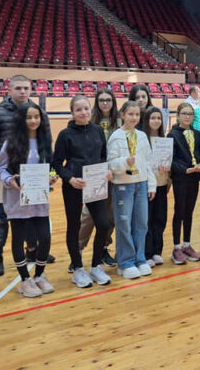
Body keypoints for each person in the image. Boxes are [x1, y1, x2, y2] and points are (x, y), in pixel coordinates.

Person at [0, 75, 53, 277]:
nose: (22, 91)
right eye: (18, 88)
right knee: (0, 217)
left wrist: (47, 174)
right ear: (9, 90)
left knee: (31, 217)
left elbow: (46, 145)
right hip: (4, 174)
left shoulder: (40, 113)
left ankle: (32, 250)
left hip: (32, 179)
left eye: (26, 88)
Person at [52, 95, 114, 288]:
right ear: (72, 112)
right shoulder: (65, 135)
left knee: (103, 224)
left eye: (86, 108)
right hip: (74, 187)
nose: (83, 112)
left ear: (90, 110)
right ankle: (78, 269)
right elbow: (57, 164)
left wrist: (107, 170)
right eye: (78, 109)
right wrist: (70, 179)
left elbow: (103, 156)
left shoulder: (98, 131)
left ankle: (95, 265)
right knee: (74, 226)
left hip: (95, 185)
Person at [0, 102, 57, 298]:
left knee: (45, 237)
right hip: (17, 199)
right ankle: (25, 280)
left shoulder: (44, 142)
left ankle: (39, 275)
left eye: (36, 117)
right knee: (18, 237)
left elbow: (50, 167)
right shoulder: (10, 143)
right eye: (28, 117)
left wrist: (52, 177)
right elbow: (1, 170)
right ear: (21, 120)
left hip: (39, 199)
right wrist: (9, 181)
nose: (33, 121)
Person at [108, 102, 157, 279]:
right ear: (122, 115)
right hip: (123, 185)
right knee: (124, 224)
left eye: (137, 114)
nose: (134, 118)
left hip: (141, 184)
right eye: (130, 114)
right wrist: (124, 162)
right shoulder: (116, 137)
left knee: (141, 223)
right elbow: (110, 164)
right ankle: (125, 262)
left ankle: (139, 259)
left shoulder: (142, 136)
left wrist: (151, 184)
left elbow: (149, 162)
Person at [76, 89, 120, 270]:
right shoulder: (90, 121)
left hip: (114, 174)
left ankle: (103, 248)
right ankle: (77, 250)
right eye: (101, 100)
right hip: (94, 174)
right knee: (88, 215)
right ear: (97, 102)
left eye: (108, 100)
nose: (105, 103)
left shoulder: (119, 122)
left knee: (110, 215)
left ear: (113, 102)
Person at [168, 103, 200, 265]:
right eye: (184, 113)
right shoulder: (172, 135)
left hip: (194, 178)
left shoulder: (197, 134)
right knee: (179, 211)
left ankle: (187, 245)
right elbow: (171, 159)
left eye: (190, 114)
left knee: (189, 212)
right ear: (178, 115)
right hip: (181, 178)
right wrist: (186, 170)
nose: (187, 116)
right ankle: (176, 247)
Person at [142, 106, 170, 268]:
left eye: (159, 118)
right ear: (146, 120)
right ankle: (147, 253)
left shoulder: (164, 141)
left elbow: (169, 162)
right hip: (147, 186)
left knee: (160, 218)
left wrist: (167, 168)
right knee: (147, 220)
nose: (156, 121)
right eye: (153, 118)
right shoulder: (142, 139)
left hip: (162, 184)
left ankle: (157, 251)